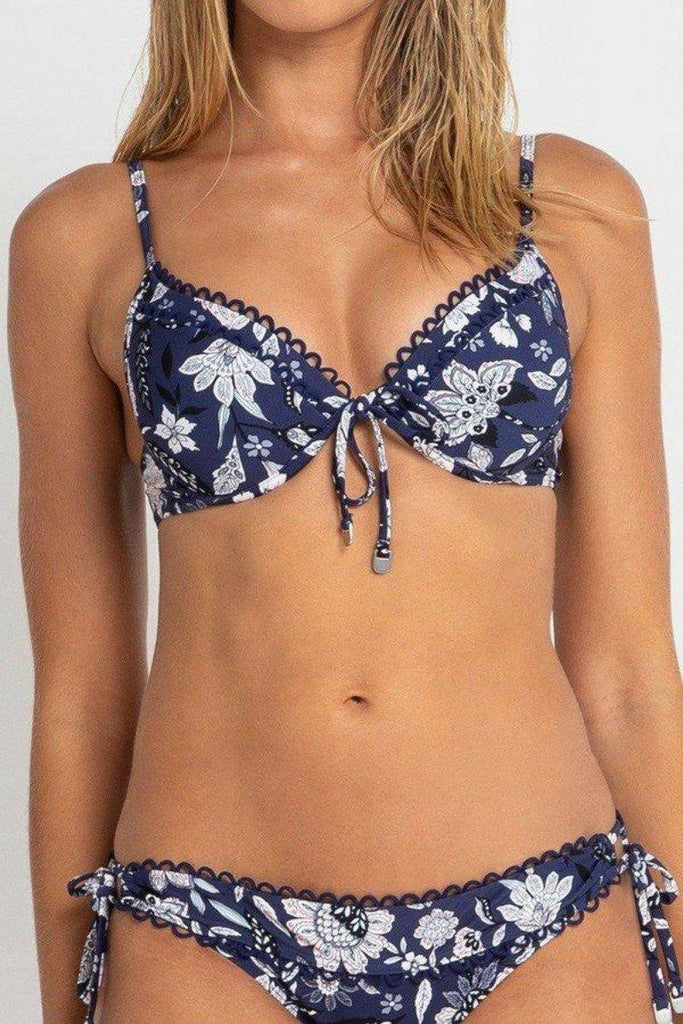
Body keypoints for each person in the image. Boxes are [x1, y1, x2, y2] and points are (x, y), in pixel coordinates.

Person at [9, 2, 682, 1022]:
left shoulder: (568, 208)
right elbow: (80, 698)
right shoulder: (87, 234)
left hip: (545, 923)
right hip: (204, 932)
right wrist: (65, 1005)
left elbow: (629, 673)